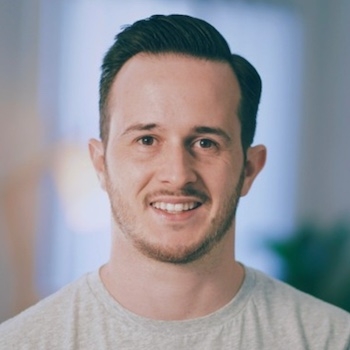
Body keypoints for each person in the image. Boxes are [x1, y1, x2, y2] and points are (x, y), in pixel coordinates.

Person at [0, 14, 349, 350]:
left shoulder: (332, 340)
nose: (178, 174)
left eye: (205, 143)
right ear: (100, 165)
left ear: (249, 169)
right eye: (147, 140)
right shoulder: (21, 344)